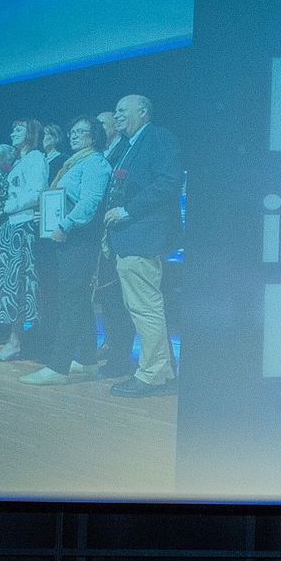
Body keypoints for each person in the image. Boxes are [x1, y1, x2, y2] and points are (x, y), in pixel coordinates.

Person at [23, 115, 113, 385]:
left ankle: (57, 366)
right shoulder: (74, 163)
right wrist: (46, 217)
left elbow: (89, 203)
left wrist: (64, 224)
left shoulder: (95, 162)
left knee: (71, 302)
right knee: (79, 301)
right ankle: (87, 361)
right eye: (72, 131)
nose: (74, 136)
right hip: (68, 240)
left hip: (81, 240)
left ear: (94, 137)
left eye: (81, 132)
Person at [104, 93, 183, 398]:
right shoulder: (129, 145)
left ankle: (152, 374)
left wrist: (127, 210)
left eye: (123, 109)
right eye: (116, 110)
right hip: (131, 238)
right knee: (142, 307)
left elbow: (168, 182)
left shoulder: (158, 138)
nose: (117, 115)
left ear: (144, 112)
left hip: (143, 236)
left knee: (145, 308)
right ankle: (163, 370)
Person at [0, 118, 45, 362]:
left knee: (18, 285)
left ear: (31, 133)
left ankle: (16, 341)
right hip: (10, 228)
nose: (13, 133)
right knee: (8, 286)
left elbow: (37, 193)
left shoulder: (36, 158)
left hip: (22, 228)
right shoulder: (21, 161)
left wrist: (6, 207)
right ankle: (13, 339)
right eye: (13, 129)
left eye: (19, 129)